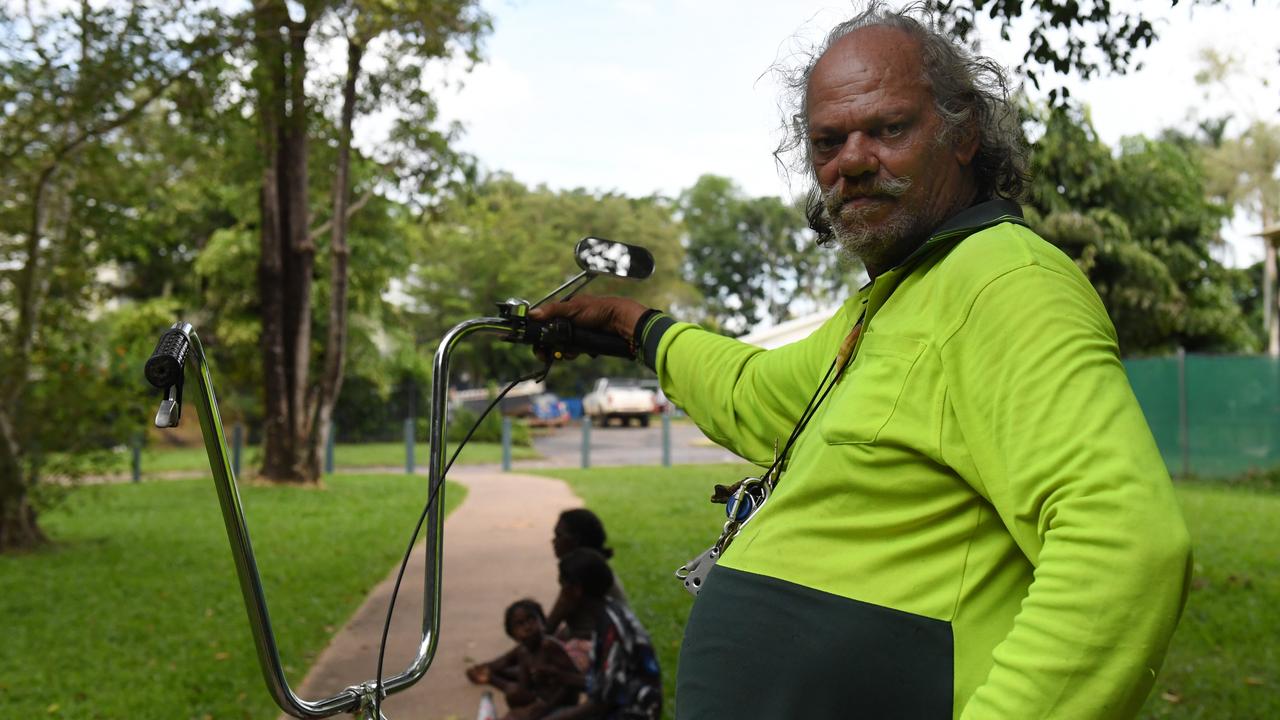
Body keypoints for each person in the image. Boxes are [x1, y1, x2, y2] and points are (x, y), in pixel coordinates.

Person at [529, 3, 1193, 718]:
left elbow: (1126, 546)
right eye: (828, 140)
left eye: (889, 129)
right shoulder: (892, 302)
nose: (851, 161)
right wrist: (640, 329)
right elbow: (756, 392)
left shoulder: (1006, 282)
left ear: (963, 133)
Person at [541, 549, 662, 720]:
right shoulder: (606, 614)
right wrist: (563, 677)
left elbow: (601, 704)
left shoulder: (613, 630)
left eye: (563, 586)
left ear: (575, 590)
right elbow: (606, 683)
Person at [465, 599, 583, 720]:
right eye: (519, 624)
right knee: (512, 709)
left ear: (542, 621)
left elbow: (572, 684)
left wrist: (546, 707)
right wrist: (491, 679)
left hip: (563, 705)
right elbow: (524, 691)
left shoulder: (549, 646)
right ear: (513, 635)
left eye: (531, 619)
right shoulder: (523, 653)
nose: (527, 627)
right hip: (542, 703)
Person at [545, 509, 631, 672]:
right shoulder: (592, 565)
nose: (553, 541)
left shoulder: (580, 573)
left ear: (575, 540)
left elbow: (550, 625)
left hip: (602, 650)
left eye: (559, 536)